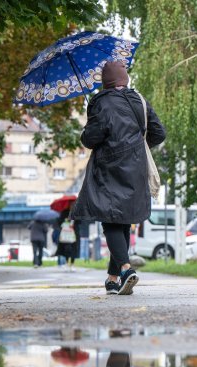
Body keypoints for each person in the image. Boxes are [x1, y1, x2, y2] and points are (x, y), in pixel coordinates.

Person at [71, 60, 166, 295]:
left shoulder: (101, 103)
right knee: (122, 219)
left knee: (110, 218)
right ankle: (113, 280)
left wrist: (86, 131)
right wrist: (135, 147)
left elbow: (91, 139)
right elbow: (158, 133)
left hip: (109, 167)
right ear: (125, 79)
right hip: (136, 167)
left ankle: (125, 268)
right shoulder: (140, 100)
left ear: (105, 82)